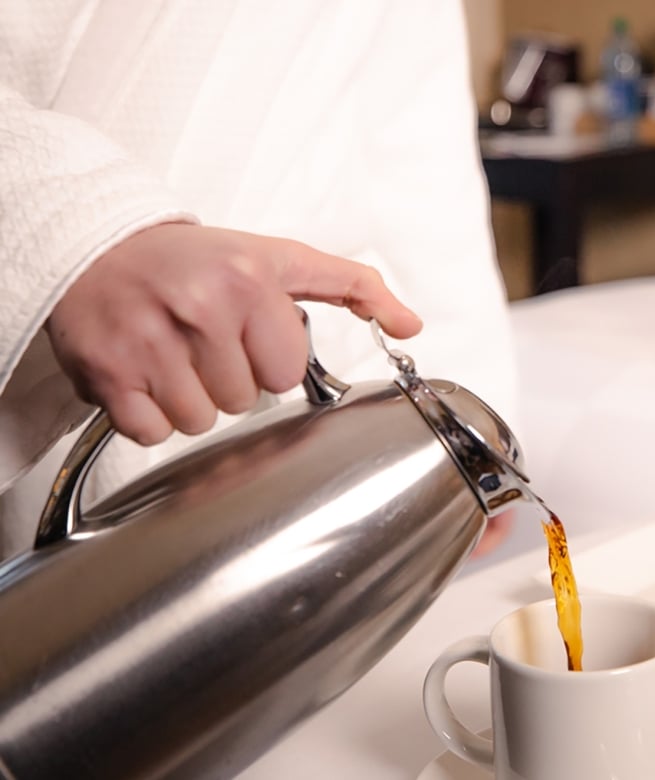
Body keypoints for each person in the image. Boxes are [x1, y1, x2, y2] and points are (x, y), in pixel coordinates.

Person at [0, 0, 519, 560]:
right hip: (62, 357)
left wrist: (468, 423)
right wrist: (79, 228)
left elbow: (419, 153)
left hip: (332, 439)